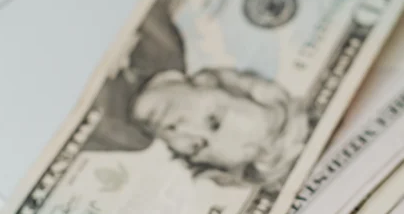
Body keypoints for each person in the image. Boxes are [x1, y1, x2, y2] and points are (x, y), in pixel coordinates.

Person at [130, 68, 308, 190]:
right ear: (209, 81)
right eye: (212, 120)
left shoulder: (121, 135)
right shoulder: (159, 38)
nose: (180, 129)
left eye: (196, 146)